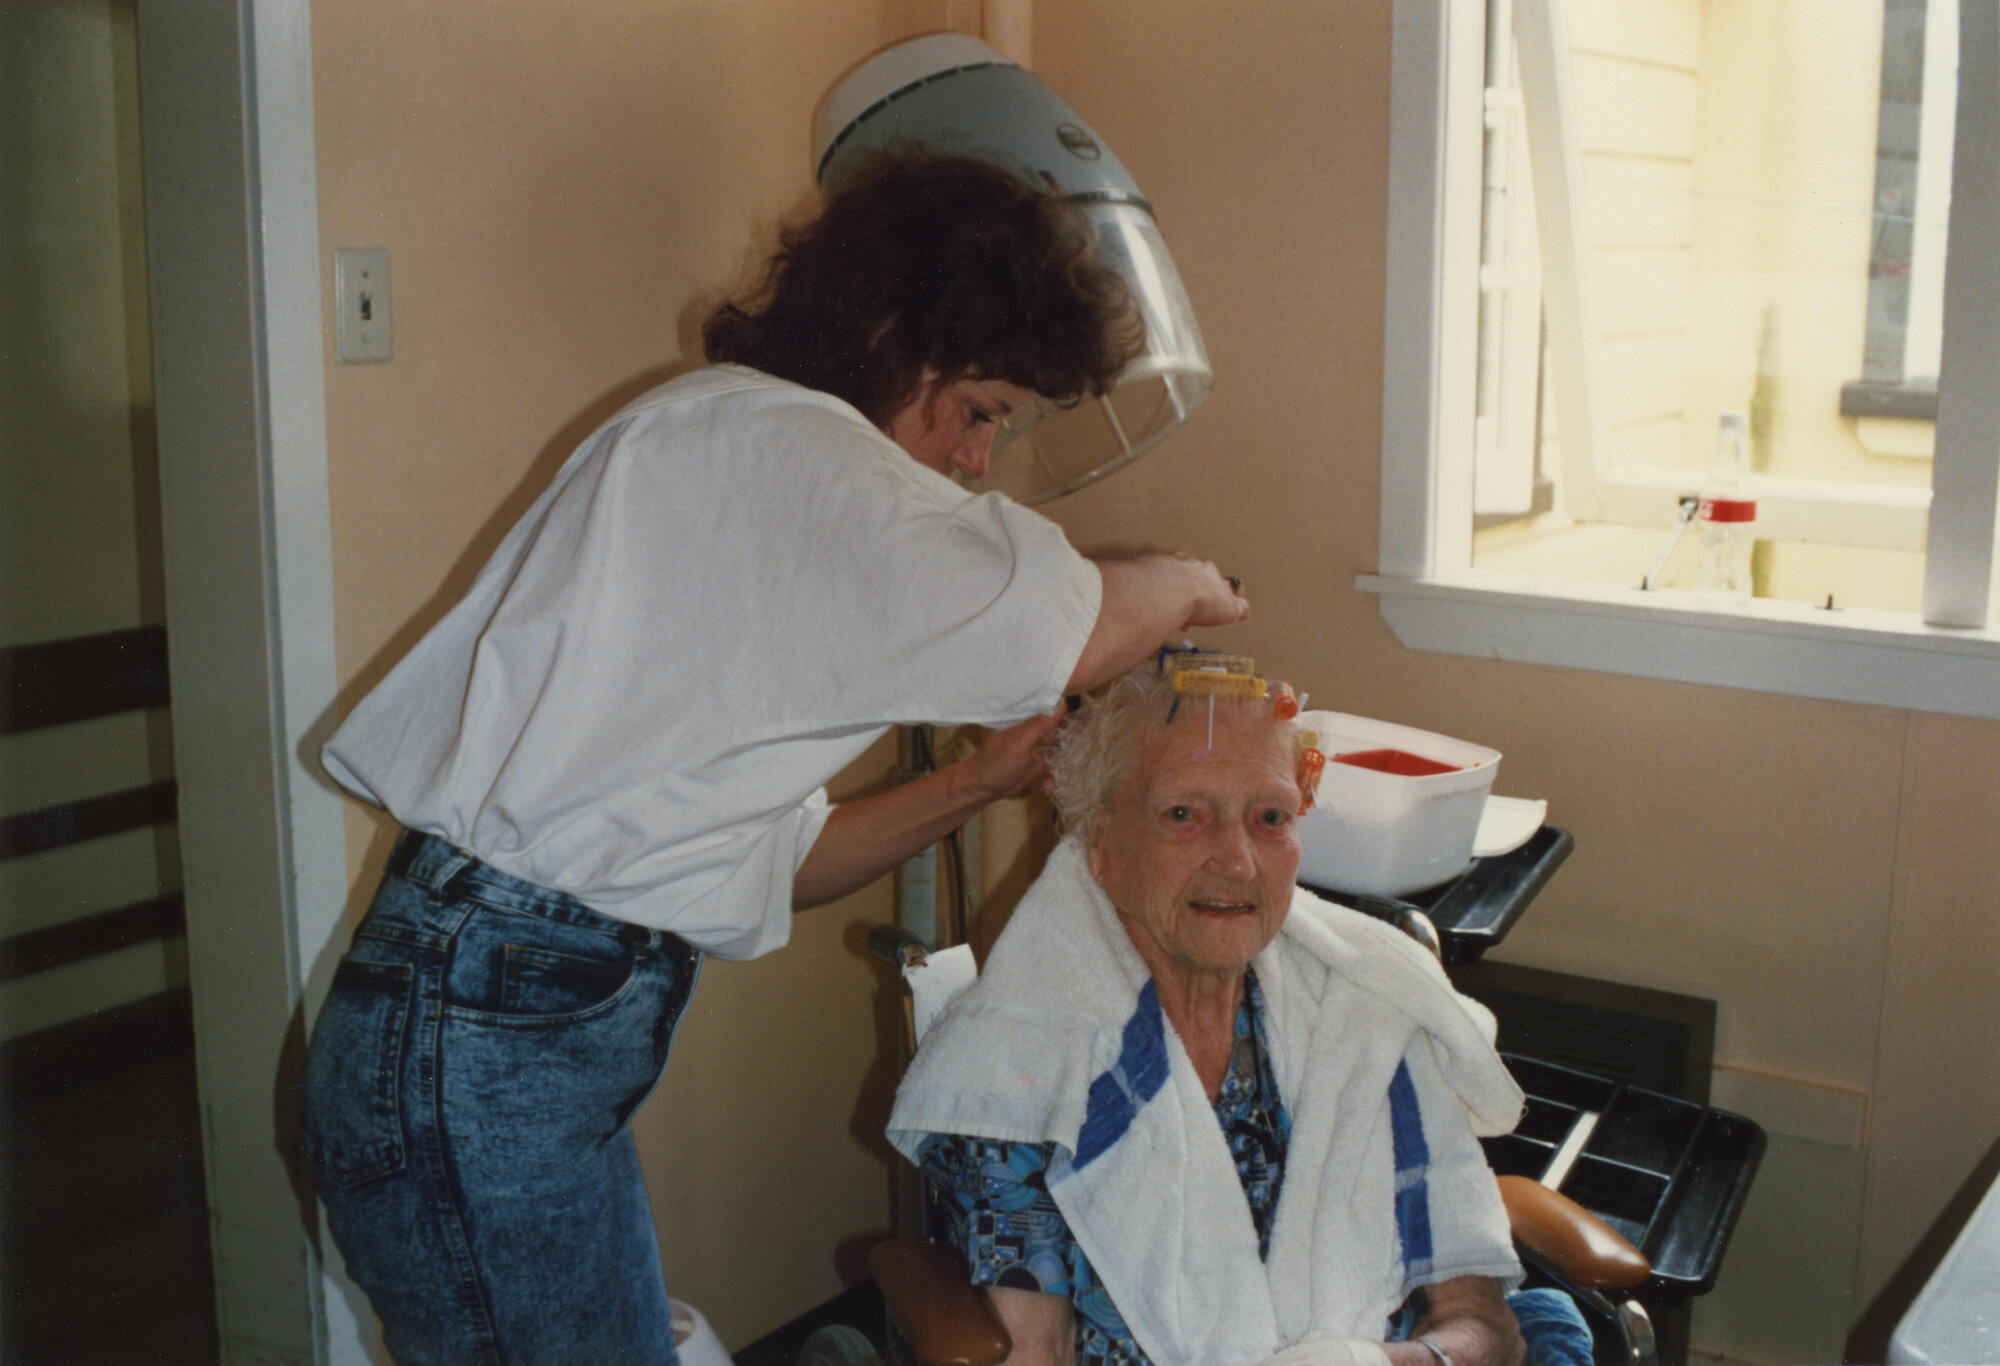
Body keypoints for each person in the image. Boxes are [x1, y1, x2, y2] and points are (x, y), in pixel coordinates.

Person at [299, 151, 1250, 1366]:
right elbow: (1064, 620)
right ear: (895, 334)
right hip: (482, 1038)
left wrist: (974, 781)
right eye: (978, 413)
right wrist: (1190, 583)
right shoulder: (781, 449)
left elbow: (773, 857)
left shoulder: (746, 479)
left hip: (491, 1020)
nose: (972, 463)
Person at [889, 663, 1594, 1366]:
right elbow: (1033, 1355)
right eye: (1184, 815)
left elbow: (1481, 1326)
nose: (1236, 861)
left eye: (1270, 818)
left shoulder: (1365, 998)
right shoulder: (1018, 1065)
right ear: (1100, 847)